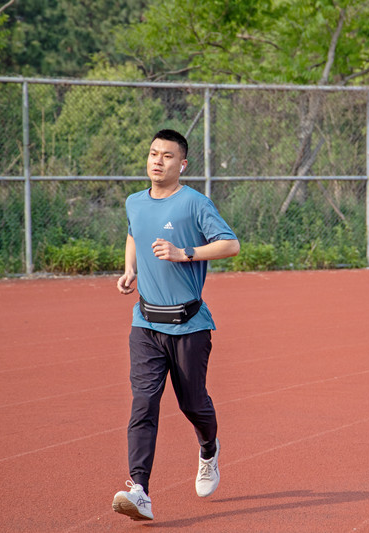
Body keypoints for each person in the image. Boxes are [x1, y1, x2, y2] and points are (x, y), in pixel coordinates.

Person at [111, 129, 240, 520]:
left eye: (167, 156)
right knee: (144, 403)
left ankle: (209, 448)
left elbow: (230, 244)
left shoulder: (194, 203)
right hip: (145, 324)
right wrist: (130, 269)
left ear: (182, 164)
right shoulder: (135, 201)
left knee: (193, 403)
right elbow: (133, 234)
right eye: (153, 153)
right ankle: (139, 490)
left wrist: (185, 252)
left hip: (189, 326)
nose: (158, 161)